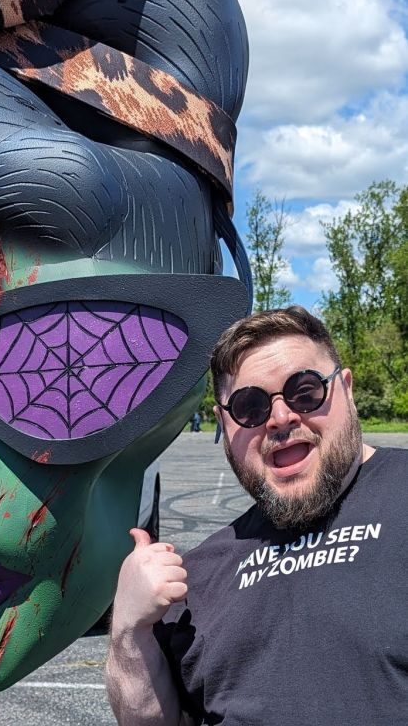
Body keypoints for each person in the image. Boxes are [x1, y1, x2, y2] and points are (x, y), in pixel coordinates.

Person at [105, 305, 408, 725]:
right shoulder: (197, 578)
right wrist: (129, 631)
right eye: (250, 406)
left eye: (305, 391)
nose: (282, 418)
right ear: (224, 425)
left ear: (347, 389)